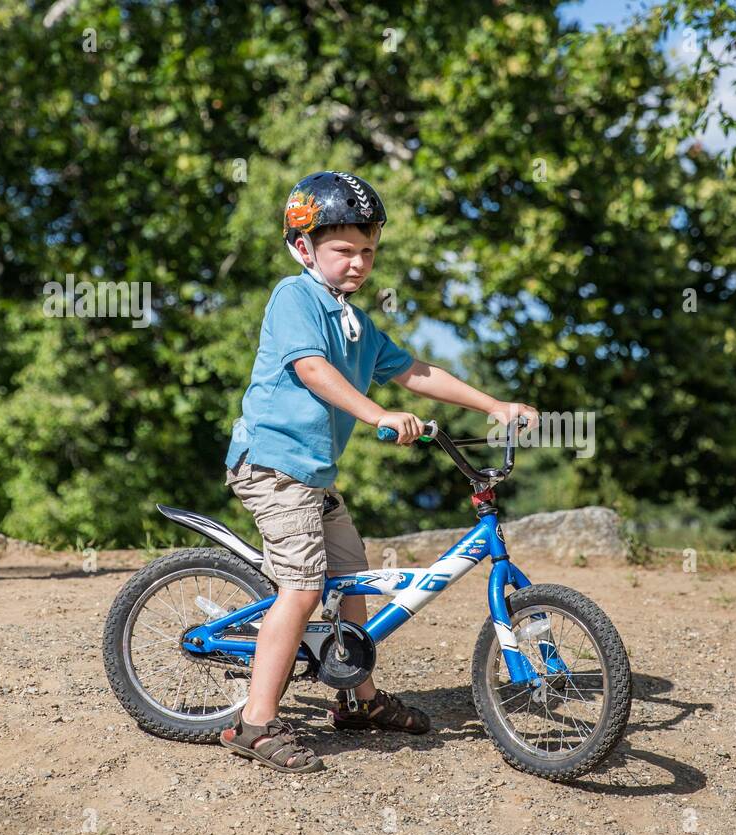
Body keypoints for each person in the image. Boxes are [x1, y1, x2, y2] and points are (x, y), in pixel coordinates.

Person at [219, 171, 538, 773]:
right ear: (303, 246)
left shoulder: (356, 323)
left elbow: (414, 371)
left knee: (352, 579)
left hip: (313, 475)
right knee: (305, 586)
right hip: (274, 465)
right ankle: (254, 722)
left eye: (368, 250)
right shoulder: (295, 297)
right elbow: (312, 369)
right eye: (343, 249)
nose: (358, 262)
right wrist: (375, 415)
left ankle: (356, 699)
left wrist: (494, 406)